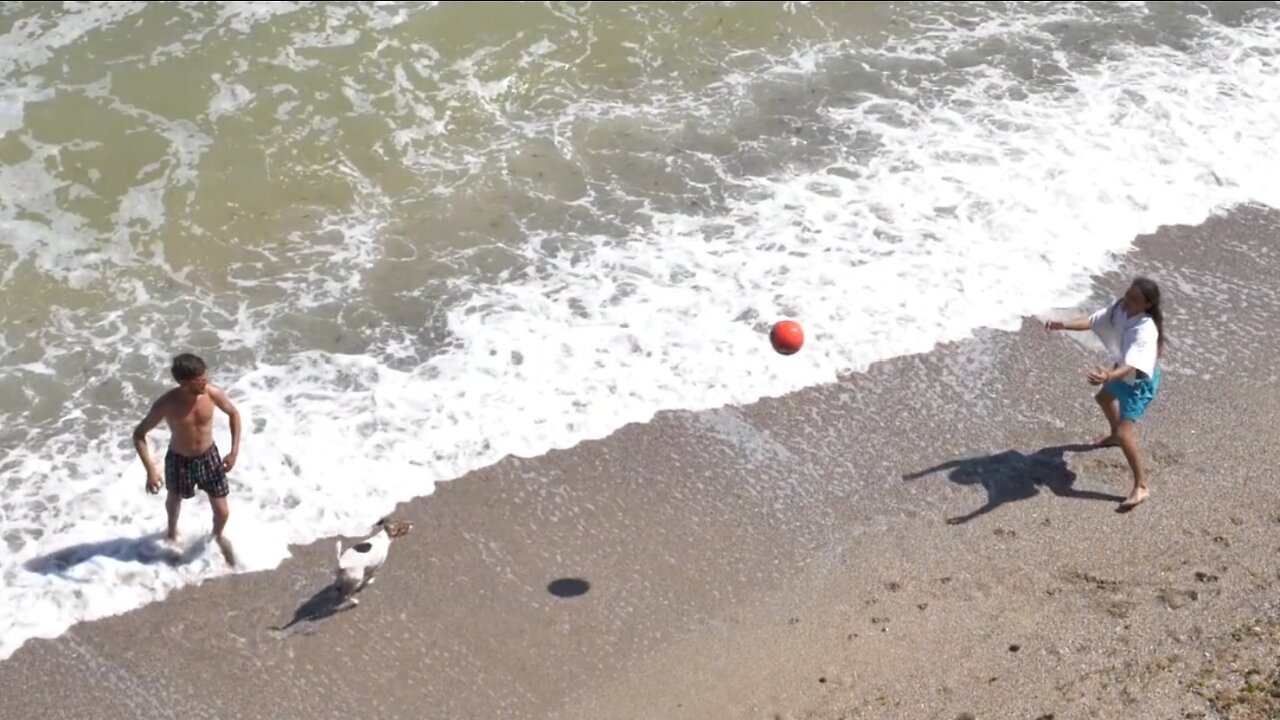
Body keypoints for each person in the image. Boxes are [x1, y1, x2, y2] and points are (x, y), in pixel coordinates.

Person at [1045, 277, 1165, 510]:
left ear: (1147, 304)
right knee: (1103, 398)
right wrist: (1063, 325)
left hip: (1138, 383)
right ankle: (1113, 437)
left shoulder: (1146, 329)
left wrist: (1108, 377)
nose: (1127, 300)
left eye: (1134, 299)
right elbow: (1092, 321)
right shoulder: (1120, 308)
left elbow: (1133, 365)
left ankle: (1141, 485)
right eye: (1128, 294)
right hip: (1121, 373)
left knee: (1125, 431)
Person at [132, 353, 241, 566]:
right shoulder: (166, 404)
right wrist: (151, 471)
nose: (206, 382)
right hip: (179, 460)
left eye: (206, 376)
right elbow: (139, 435)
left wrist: (233, 451)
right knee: (174, 499)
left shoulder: (212, 394)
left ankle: (216, 537)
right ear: (184, 382)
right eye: (200, 380)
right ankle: (171, 533)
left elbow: (234, 414)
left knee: (222, 510)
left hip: (209, 457)